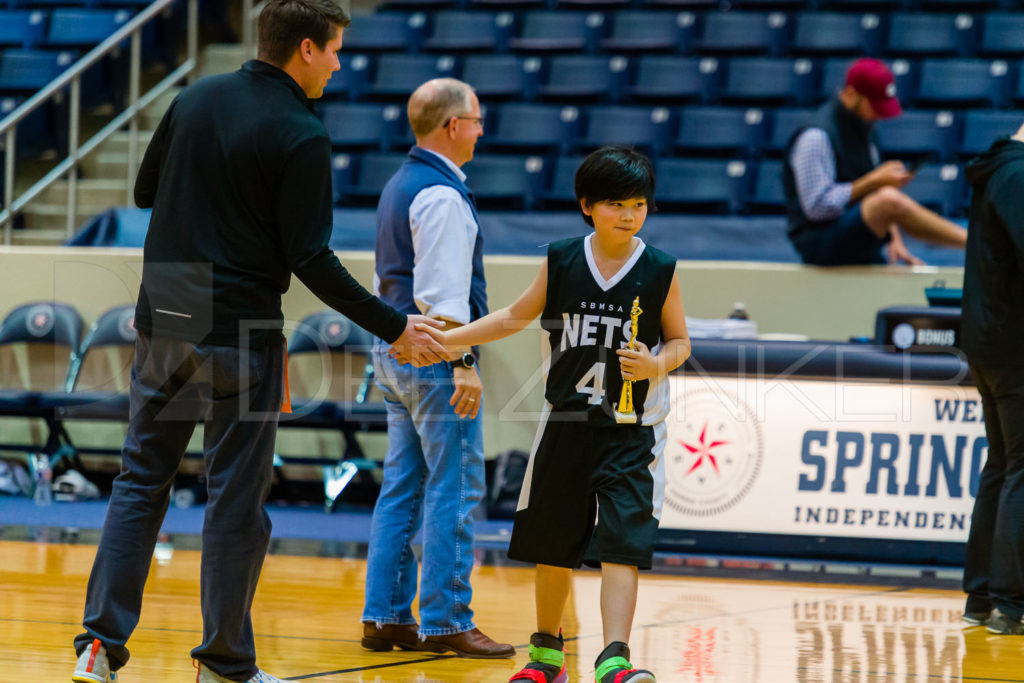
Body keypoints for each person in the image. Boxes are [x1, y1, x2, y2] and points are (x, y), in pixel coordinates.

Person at [71, 2, 446, 682]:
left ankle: (99, 647)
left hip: (171, 305)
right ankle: (223, 662)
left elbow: (146, 188)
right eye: (333, 50)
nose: (338, 63)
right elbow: (312, 257)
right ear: (305, 48)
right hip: (242, 320)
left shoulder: (196, 95)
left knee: (139, 482)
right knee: (235, 500)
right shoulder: (303, 133)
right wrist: (395, 324)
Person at [418, 146, 691, 683]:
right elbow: (512, 318)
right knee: (553, 543)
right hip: (566, 423)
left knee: (621, 545)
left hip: (632, 432)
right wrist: (449, 341)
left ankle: (615, 656)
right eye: (616, 204)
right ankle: (547, 653)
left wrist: (657, 365)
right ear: (587, 205)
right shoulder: (562, 258)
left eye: (638, 204)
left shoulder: (660, 269)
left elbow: (681, 342)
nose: (630, 214)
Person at [360, 78, 515, 659]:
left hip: (393, 350)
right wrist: (466, 361)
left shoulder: (400, 183)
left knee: (403, 486)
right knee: (456, 484)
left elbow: (389, 283)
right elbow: (445, 301)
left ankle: (385, 616)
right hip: (434, 356)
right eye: (476, 120)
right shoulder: (443, 196)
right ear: (453, 126)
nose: (480, 130)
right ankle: (447, 620)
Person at [783, 58, 967, 266]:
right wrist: (874, 181)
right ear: (852, 95)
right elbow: (816, 207)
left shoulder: (864, 127)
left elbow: (873, 194)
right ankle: (974, 243)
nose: (879, 114)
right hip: (818, 241)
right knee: (889, 199)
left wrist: (893, 240)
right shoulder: (816, 136)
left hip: (855, 236)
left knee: (887, 197)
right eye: (874, 105)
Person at [960, 123, 1024, 636]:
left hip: (989, 340)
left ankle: (981, 596)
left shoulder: (997, 169)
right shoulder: (1019, 176)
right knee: (1019, 466)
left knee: (1003, 464)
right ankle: (1011, 601)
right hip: (1015, 342)